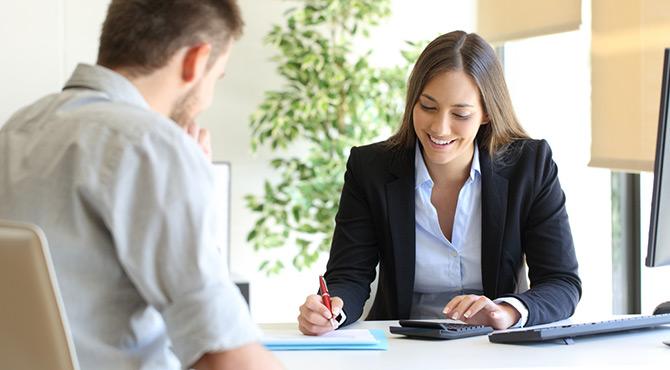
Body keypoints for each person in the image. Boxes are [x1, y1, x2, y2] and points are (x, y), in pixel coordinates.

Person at [0, 1, 283, 369]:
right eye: (218, 76)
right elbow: (224, 359)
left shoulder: (18, 128)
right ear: (196, 61)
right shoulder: (148, 143)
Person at [298, 30, 582, 335]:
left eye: (460, 113)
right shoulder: (371, 169)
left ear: (486, 113)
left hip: (494, 347)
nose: (439, 127)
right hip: (402, 347)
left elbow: (561, 282)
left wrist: (507, 311)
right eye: (428, 107)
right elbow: (349, 276)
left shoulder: (530, 165)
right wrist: (332, 311)